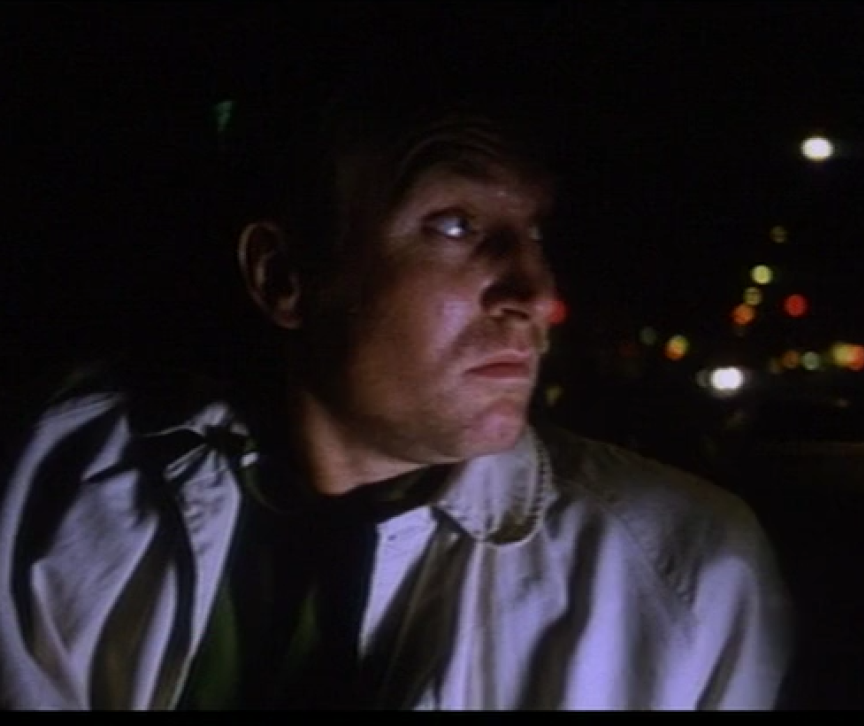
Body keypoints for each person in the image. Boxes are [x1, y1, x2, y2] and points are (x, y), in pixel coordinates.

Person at [0, 78, 792, 710]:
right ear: (282, 275)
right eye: (454, 224)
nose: (534, 293)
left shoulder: (684, 571)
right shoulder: (51, 477)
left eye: (535, 233)